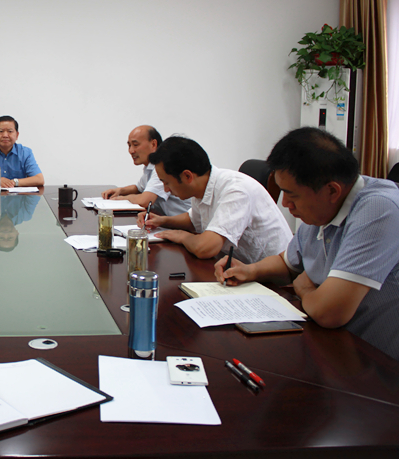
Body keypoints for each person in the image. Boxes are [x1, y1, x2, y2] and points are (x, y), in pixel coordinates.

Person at [216, 127, 399, 359]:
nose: (285, 204)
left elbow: (329, 313)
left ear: (332, 191)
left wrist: (304, 289)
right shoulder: (322, 209)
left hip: (377, 361)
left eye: (291, 195)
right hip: (333, 347)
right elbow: (288, 263)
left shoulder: (379, 209)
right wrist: (249, 270)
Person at [138, 136, 292, 263]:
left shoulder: (235, 190)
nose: (165, 189)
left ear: (187, 176)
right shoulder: (202, 186)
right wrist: (161, 221)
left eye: (167, 182)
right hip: (238, 268)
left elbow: (205, 248)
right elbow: (193, 220)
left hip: (273, 280)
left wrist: (181, 236)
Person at [101, 125, 191, 216]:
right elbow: (139, 188)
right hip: (167, 220)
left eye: (135, 145)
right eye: (129, 145)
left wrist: (122, 199)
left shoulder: (163, 167)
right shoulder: (150, 166)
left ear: (153, 144)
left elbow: (145, 201)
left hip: (185, 222)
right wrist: (120, 190)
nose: (131, 151)